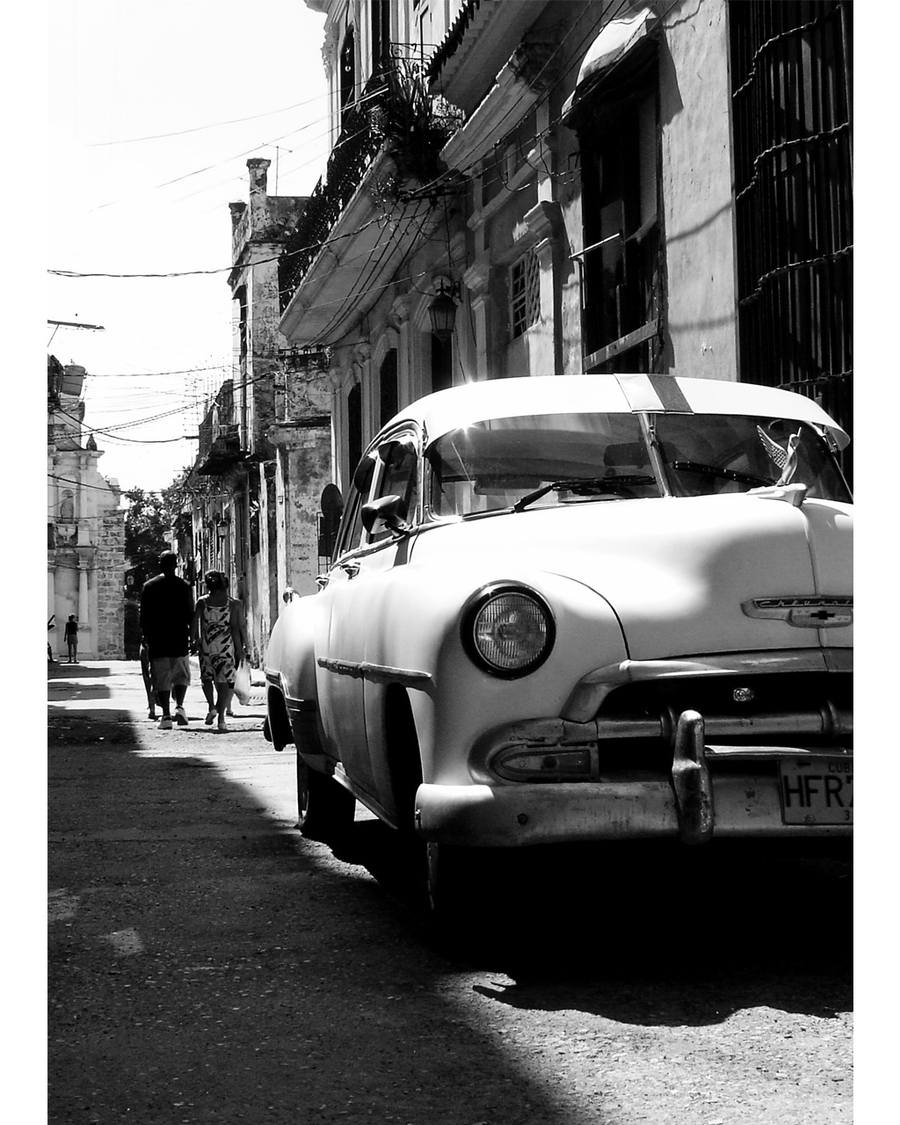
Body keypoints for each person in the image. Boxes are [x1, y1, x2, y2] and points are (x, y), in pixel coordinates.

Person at [139, 551, 194, 731]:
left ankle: (166, 715)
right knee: (181, 675)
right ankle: (180, 706)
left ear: (159, 564)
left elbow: (144, 615)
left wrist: (145, 637)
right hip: (179, 637)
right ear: (176, 565)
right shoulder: (184, 586)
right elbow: (190, 614)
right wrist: (193, 636)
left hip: (158, 638)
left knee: (161, 676)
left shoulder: (149, 586)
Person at [191, 571, 248, 733]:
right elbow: (237, 628)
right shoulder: (234, 604)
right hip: (226, 647)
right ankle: (221, 718)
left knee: (207, 678)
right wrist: (241, 649)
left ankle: (211, 707)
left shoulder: (202, 602)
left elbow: (194, 623)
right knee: (225, 682)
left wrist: (194, 640)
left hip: (207, 647)